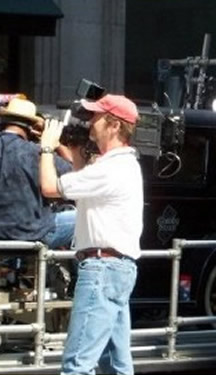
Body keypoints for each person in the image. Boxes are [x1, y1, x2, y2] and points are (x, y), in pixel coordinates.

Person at [39, 94, 143, 375]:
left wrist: (47, 149)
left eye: (96, 117)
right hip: (116, 269)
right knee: (116, 366)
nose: (90, 123)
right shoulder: (122, 166)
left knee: (77, 366)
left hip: (101, 269)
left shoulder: (110, 170)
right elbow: (82, 185)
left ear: (114, 126)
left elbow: (49, 187)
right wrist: (69, 153)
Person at [0, 97, 74, 249]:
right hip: (32, 232)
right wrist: (54, 143)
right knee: (86, 217)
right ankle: (76, 269)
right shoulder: (37, 153)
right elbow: (75, 172)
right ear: (31, 127)